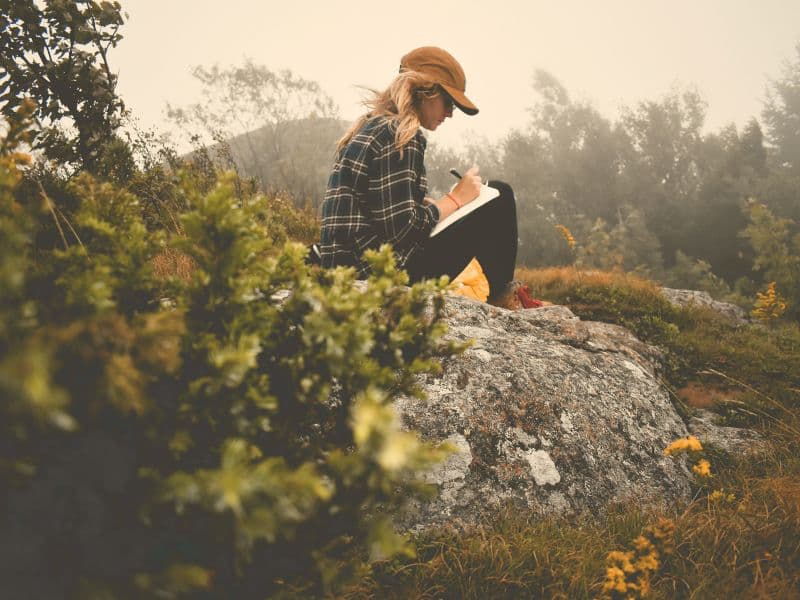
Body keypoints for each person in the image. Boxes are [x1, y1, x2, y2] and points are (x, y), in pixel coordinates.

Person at [319, 46, 534, 307]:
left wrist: (427, 205)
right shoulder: (401, 135)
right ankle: (500, 298)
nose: (450, 113)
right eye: (448, 102)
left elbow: (379, 214)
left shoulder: (370, 127)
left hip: (352, 271)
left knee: (481, 198)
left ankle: (496, 296)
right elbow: (403, 229)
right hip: (381, 276)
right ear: (425, 92)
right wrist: (455, 199)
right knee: (500, 196)